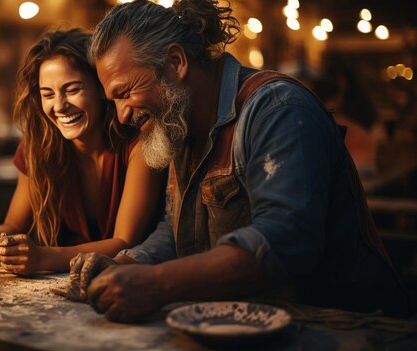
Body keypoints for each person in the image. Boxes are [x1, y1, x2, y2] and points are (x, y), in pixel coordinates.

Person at [68, 0, 411, 322]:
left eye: (125, 93)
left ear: (176, 62)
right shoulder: (180, 123)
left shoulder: (277, 108)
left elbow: (286, 240)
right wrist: (126, 264)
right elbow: (175, 234)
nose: (123, 115)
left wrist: (157, 283)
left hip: (349, 326)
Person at [0, 29, 166, 275]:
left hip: (132, 281)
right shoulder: (36, 146)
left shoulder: (140, 144)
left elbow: (125, 242)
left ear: (101, 87)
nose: (59, 106)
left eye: (72, 90)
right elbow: (14, 224)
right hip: (62, 285)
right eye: (48, 94)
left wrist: (44, 258)